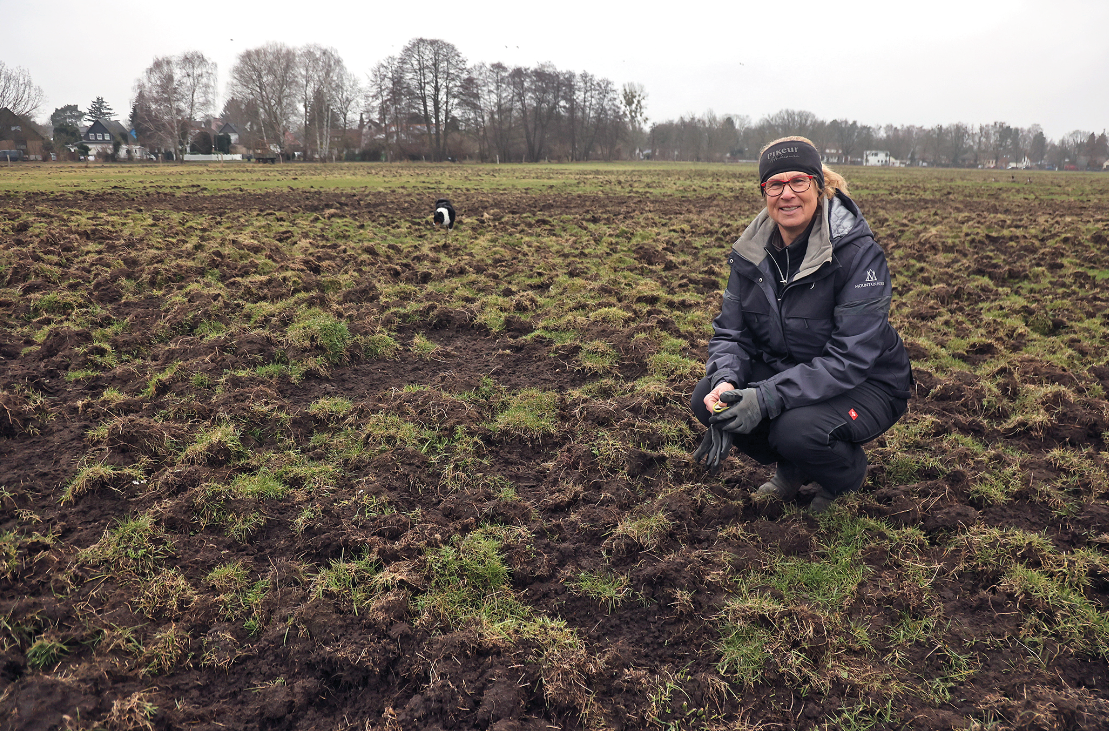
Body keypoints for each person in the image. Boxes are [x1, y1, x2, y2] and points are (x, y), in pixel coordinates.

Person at [691, 136, 912, 513]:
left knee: (795, 428)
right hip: (795, 371)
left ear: (818, 184)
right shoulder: (749, 254)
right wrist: (726, 382)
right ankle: (793, 468)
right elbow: (731, 333)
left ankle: (845, 476)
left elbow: (850, 358)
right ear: (764, 192)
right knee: (707, 398)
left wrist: (763, 399)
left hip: (869, 382)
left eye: (798, 181)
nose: (787, 194)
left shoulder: (858, 255)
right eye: (774, 184)